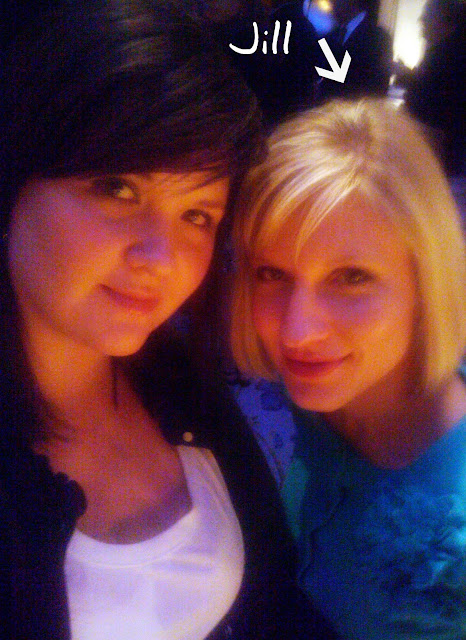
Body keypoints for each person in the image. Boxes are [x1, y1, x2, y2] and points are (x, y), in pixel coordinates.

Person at [0, 1, 333, 638]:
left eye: (197, 215)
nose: (161, 258)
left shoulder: (179, 381)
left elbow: (276, 597)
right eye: (118, 188)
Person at [231, 98, 466, 639]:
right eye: (271, 273)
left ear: (426, 283)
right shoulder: (263, 404)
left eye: (352, 277)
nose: (296, 332)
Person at [397, 0, 465, 176]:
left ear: (444, 20)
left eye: (427, 14)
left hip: (435, 161)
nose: (421, 19)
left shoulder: (447, 57)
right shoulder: (444, 53)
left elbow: (434, 109)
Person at [317, 0, 392, 102]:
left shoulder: (378, 38)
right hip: (327, 108)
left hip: (356, 109)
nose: (331, 2)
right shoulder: (332, 34)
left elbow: (377, 88)